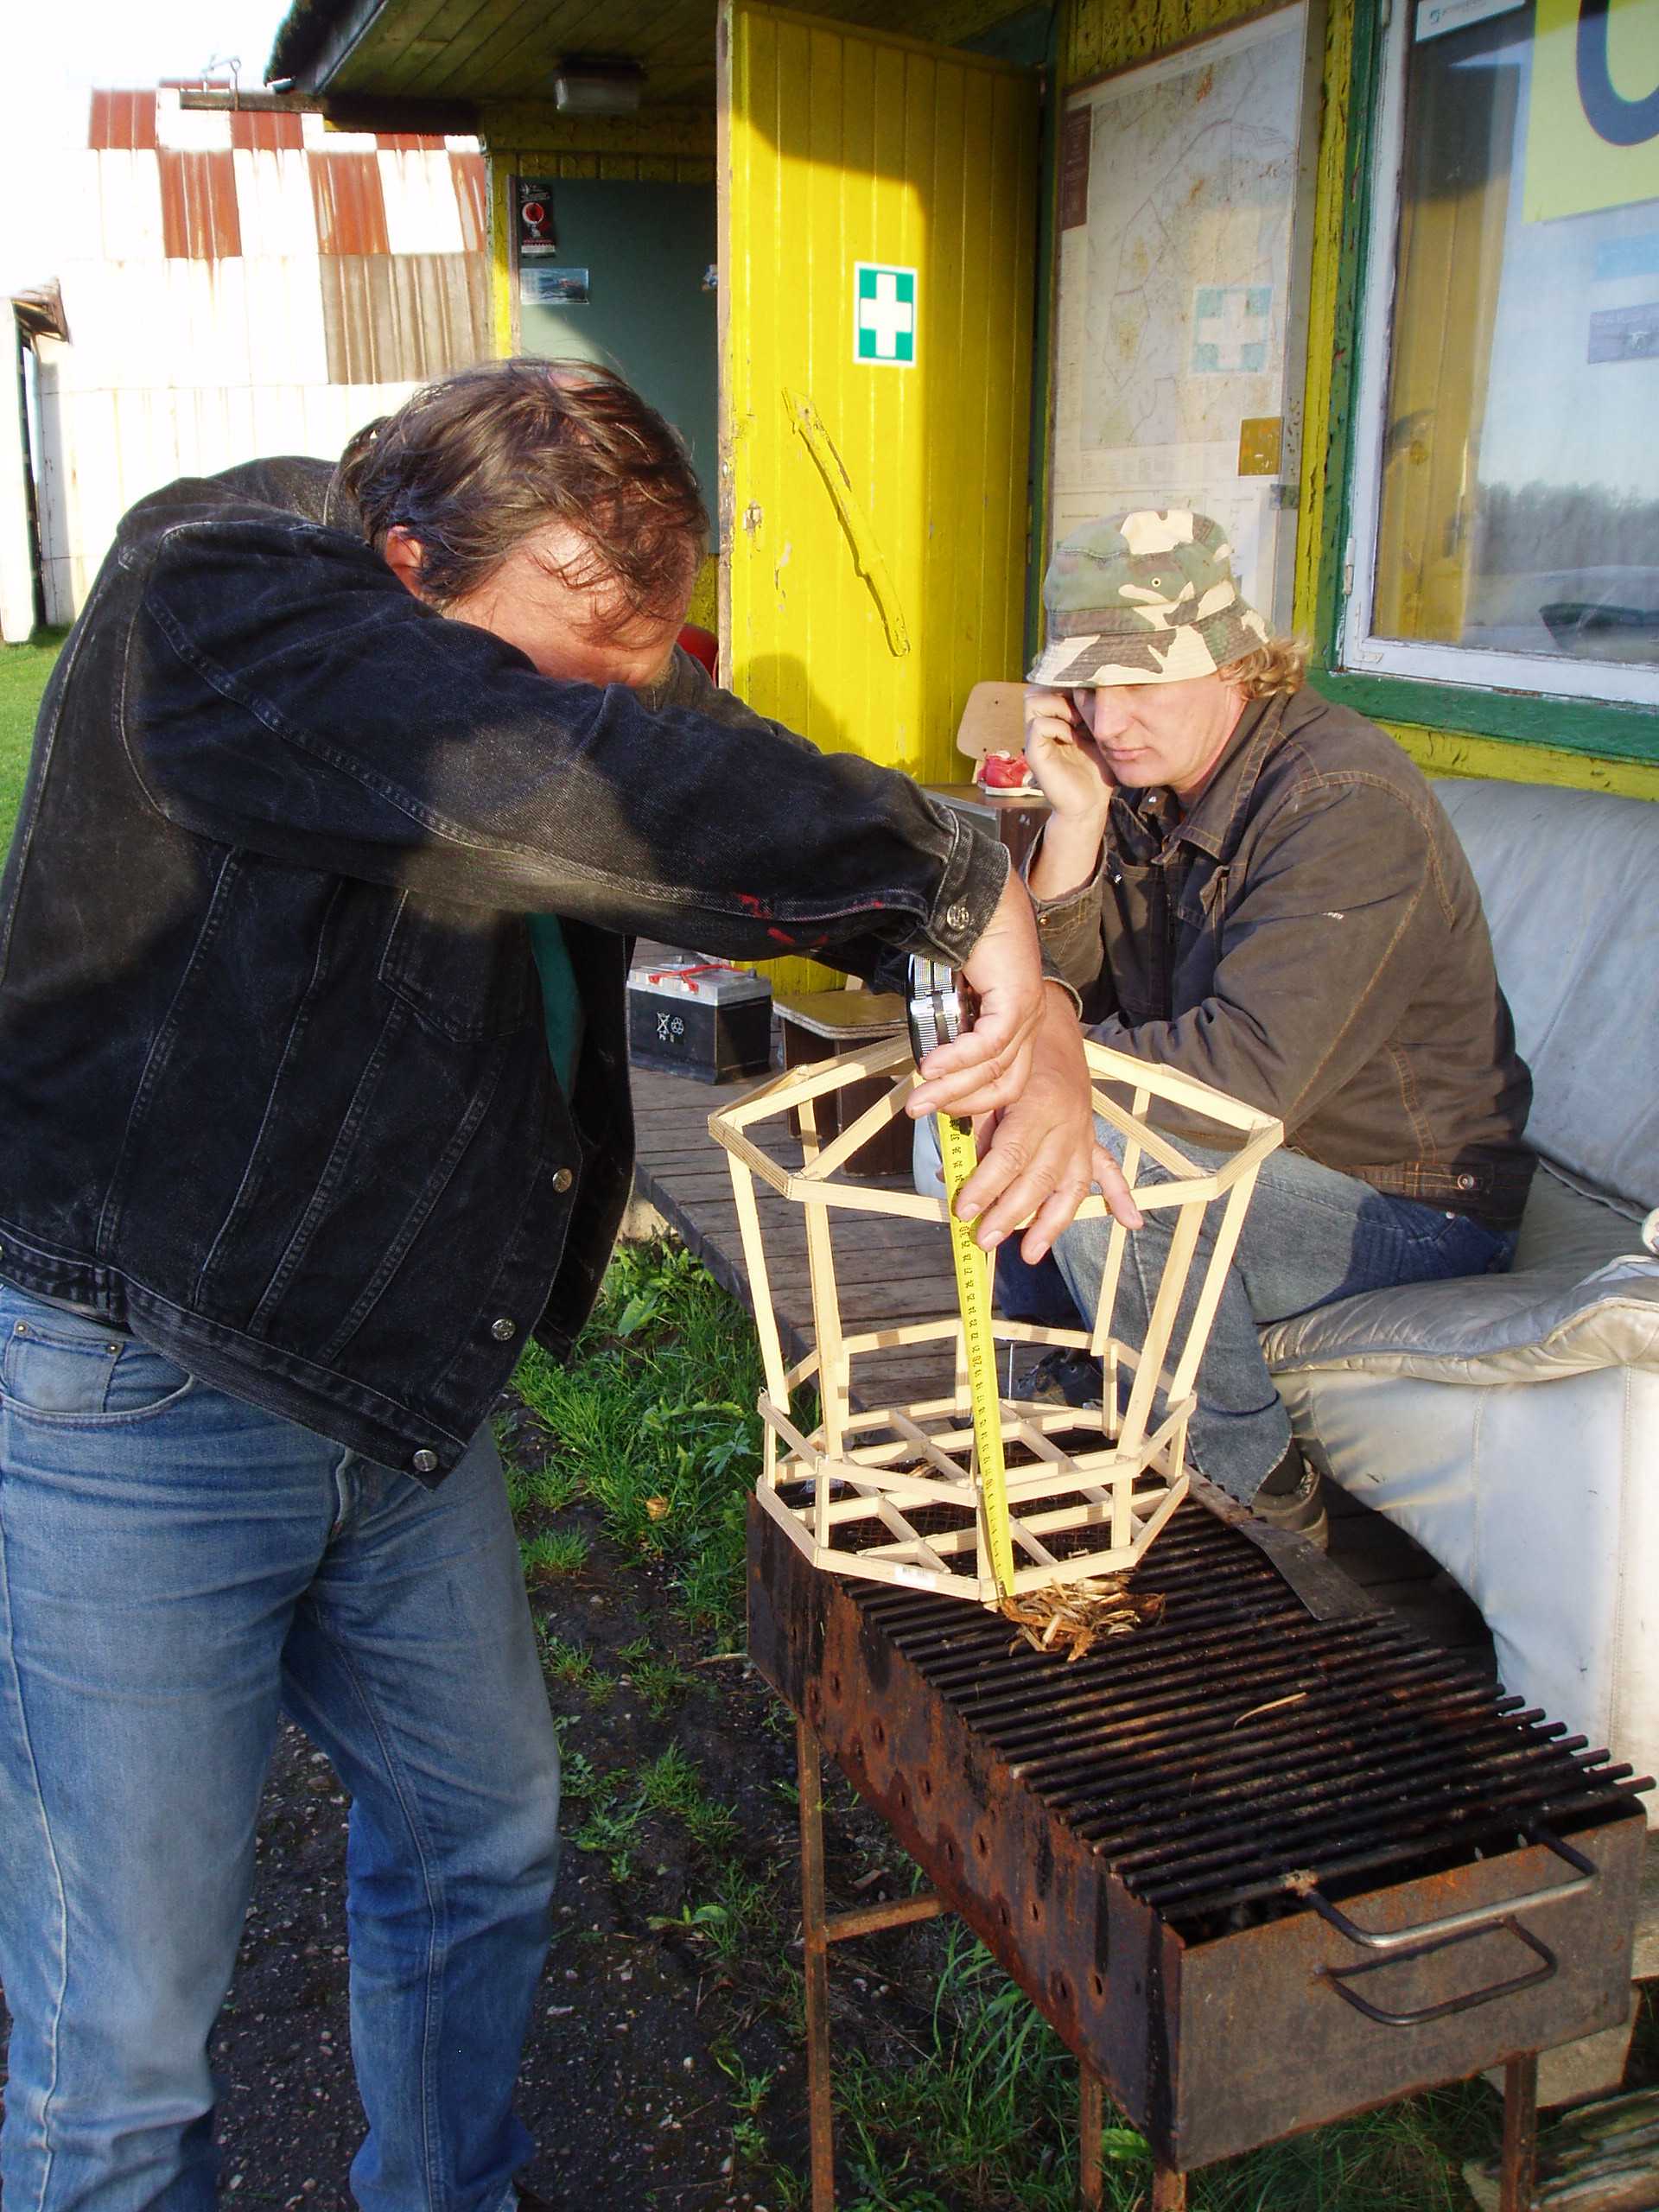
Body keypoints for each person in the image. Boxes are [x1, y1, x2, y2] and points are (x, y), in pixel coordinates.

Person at [0, 359, 1136, 2212]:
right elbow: (555, 772)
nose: (625, 686)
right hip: (150, 1381)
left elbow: (704, 783)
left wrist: (1026, 975)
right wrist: (951, 868)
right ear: (405, 561)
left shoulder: (546, 648)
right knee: (116, 2029)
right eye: (585, 643)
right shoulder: (211, 595)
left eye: (651, 640)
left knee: (480, 1843)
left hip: (398, 1386)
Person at [1009, 510, 1535, 1548]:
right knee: (1022, 1117)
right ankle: (1079, 1395)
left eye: (1142, 680)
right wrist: (1070, 822)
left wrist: (1042, 1062)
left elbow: (1239, 1085)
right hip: (1269, 1166)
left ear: (1237, 662)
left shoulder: (1340, 803)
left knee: (1105, 1151)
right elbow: (1062, 1000)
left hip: (1404, 1203)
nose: (1108, 721)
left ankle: (1253, 1490)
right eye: (1085, 685)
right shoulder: (1144, 786)